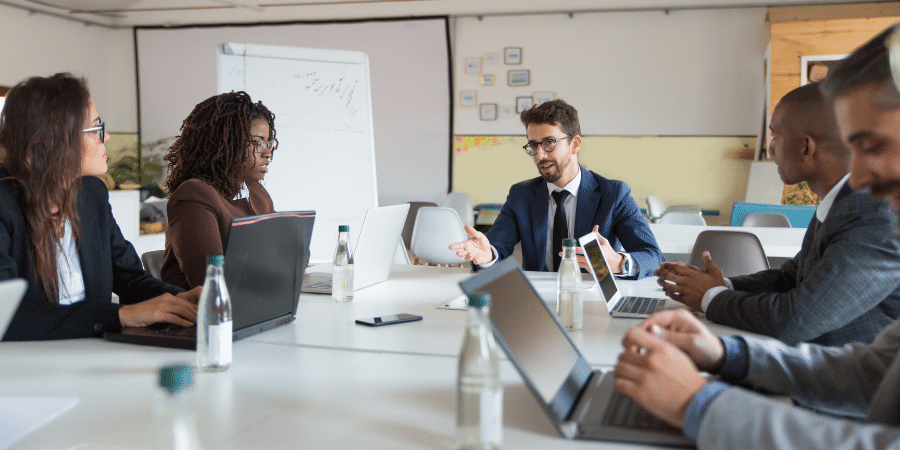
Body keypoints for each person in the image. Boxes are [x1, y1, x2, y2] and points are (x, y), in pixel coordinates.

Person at [614, 26, 900, 448]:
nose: (855, 176)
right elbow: (875, 370)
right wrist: (724, 354)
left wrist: (697, 402)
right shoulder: (851, 206)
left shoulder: (872, 215)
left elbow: (798, 318)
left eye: (872, 145)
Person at [655, 83, 900, 346]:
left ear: (806, 148)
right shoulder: (843, 203)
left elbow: (794, 319)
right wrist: (723, 285)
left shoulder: (875, 214)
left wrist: (710, 296)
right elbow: (789, 279)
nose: (771, 149)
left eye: (776, 137)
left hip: (851, 382)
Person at [0, 73, 199, 341]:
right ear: (55, 141)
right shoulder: (4, 204)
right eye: (96, 129)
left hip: (93, 357)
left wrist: (180, 299)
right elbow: (8, 315)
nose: (106, 138)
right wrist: (119, 316)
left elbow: (130, 279)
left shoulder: (91, 194)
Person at [449, 99, 663, 278]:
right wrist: (487, 256)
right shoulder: (521, 195)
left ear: (575, 144)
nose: (540, 155)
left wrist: (618, 262)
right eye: (533, 145)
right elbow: (497, 246)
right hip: (538, 304)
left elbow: (653, 257)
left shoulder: (613, 194)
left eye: (549, 142)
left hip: (593, 300)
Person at [161, 91, 277, 290]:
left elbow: (294, 253)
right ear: (224, 143)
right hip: (205, 315)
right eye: (257, 143)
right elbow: (211, 279)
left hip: (254, 302)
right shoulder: (194, 196)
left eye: (268, 143)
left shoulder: (257, 193)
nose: (268, 153)